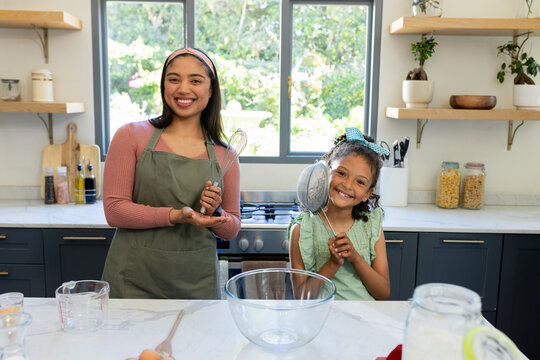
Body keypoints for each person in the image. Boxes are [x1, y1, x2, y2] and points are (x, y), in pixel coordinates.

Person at [102, 48, 241, 299]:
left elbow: (231, 229)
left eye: (195, 80)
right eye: (173, 79)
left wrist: (216, 212)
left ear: (211, 90)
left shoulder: (225, 155)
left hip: (195, 285)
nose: (183, 89)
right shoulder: (130, 136)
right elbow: (114, 210)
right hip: (132, 281)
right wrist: (176, 215)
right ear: (163, 85)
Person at [289, 128, 391, 300]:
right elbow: (302, 297)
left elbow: (383, 294)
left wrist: (355, 258)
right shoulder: (302, 230)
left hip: (365, 319)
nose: (348, 185)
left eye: (360, 182)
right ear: (325, 173)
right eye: (341, 173)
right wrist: (333, 263)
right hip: (323, 321)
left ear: (368, 193)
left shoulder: (372, 227)